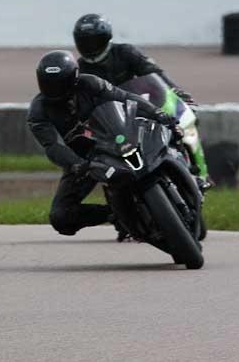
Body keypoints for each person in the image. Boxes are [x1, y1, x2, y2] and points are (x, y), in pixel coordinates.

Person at [27, 50, 181, 237]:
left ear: (74, 77)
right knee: (60, 217)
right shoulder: (38, 111)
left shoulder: (90, 83)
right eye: (48, 83)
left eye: (59, 83)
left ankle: (185, 174)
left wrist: (157, 113)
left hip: (118, 137)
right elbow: (51, 146)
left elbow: (125, 97)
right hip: (85, 160)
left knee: (169, 136)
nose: (54, 89)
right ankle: (116, 215)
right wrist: (77, 164)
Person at [72, 13, 210, 190]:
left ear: (106, 38)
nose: (90, 46)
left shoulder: (125, 52)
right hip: (113, 120)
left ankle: (200, 173)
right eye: (85, 41)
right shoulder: (80, 69)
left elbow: (154, 73)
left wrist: (177, 93)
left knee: (184, 117)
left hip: (143, 105)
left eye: (94, 40)